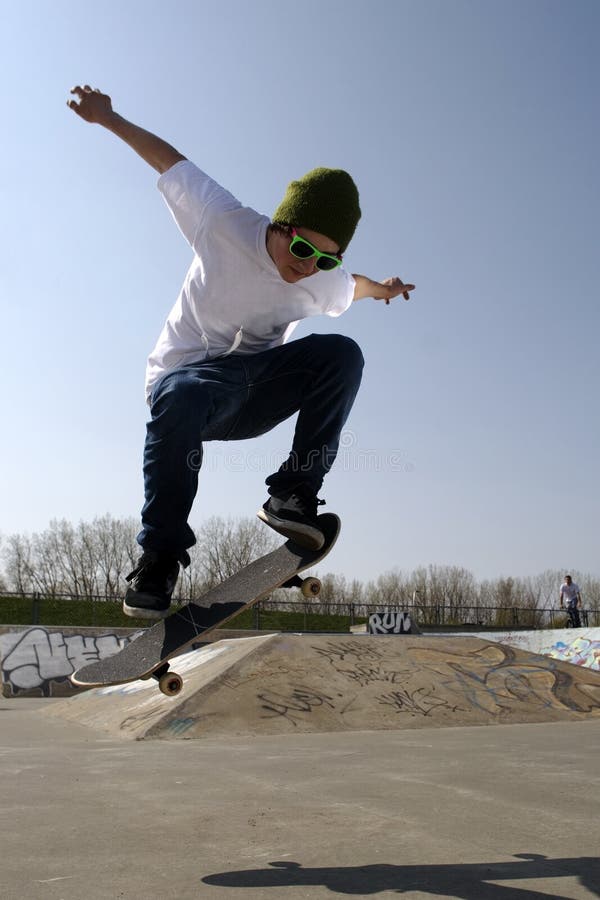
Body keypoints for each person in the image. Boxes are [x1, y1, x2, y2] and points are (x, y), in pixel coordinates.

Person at [67, 85, 415, 620]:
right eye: (300, 248)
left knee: (342, 355)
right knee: (184, 393)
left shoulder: (323, 280)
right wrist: (108, 117)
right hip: (184, 385)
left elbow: (356, 286)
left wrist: (386, 289)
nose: (305, 266)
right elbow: (168, 162)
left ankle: (293, 495)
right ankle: (159, 557)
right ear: (280, 225)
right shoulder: (223, 220)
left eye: (324, 260)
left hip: (252, 393)